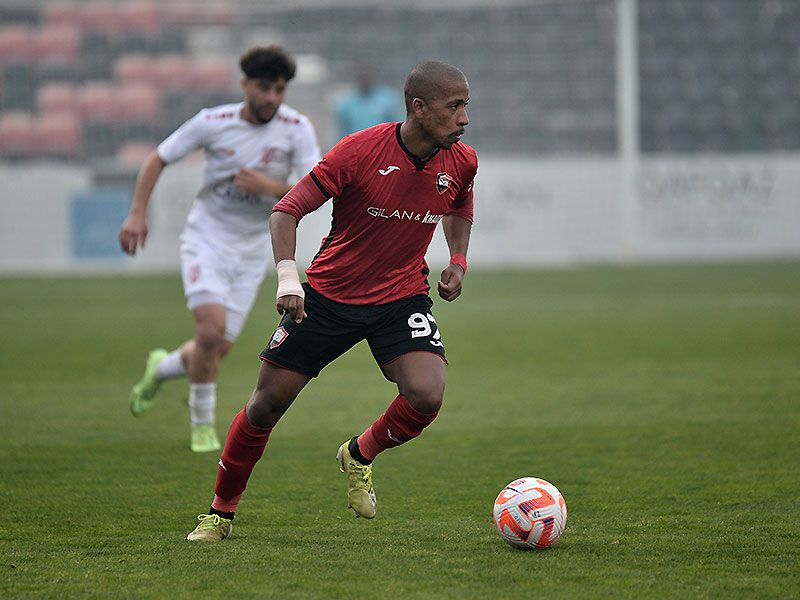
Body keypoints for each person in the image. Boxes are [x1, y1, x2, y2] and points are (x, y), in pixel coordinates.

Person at [186, 59, 476, 542]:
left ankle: (359, 454)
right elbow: (286, 211)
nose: (465, 118)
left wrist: (458, 260)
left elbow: (461, 203)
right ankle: (219, 513)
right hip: (328, 297)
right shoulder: (359, 151)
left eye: (466, 105)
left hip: (401, 296)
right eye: (455, 106)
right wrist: (287, 280)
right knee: (265, 406)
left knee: (426, 394)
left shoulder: (462, 160)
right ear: (420, 109)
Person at [118, 46, 321, 453]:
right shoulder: (214, 122)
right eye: (264, 88)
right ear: (245, 84)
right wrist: (138, 213)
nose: (271, 98)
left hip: (252, 251)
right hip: (206, 239)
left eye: (279, 89)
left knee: (215, 348)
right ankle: (201, 428)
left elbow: (316, 185)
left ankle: (162, 368)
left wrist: (267, 187)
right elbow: (158, 158)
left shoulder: (296, 127)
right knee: (210, 332)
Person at [335, 62, 403, 139]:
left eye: (367, 75)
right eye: (361, 76)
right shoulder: (347, 103)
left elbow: (396, 126)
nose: (364, 78)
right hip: (357, 146)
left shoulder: (387, 98)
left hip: (382, 145)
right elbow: (342, 130)